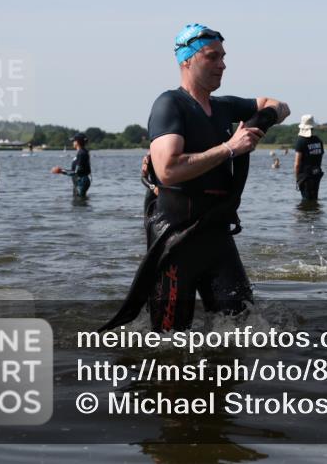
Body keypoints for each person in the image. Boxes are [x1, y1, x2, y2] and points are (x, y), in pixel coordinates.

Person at [101, 24, 289, 332]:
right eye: (212, 57)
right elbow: (168, 169)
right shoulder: (170, 104)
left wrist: (261, 121)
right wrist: (229, 148)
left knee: (244, 328)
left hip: (217, 231)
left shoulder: (224, 106)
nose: (222, 64)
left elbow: (278, 105)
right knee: (167, 340)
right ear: (187, 60)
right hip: (176, 236)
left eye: (223, 57)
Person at [294, 114, 325, 202]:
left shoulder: (300, 141)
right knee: (314, 199)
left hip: (305, 176)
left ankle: (307, 215)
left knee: (306, 201)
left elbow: (297, 164)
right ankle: (315, 215)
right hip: (317, 174)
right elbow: (320, 157)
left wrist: (297, 179)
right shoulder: (318, 140)